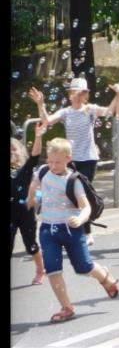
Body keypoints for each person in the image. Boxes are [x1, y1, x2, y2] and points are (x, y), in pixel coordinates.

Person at [28, 138, 119, 322]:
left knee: (84, 267)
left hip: (71, 229)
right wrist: (33, 199)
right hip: (48, 229)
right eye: (50, 161)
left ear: (68, 158)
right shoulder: (43, 171)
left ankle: (106, 278)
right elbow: (34, 186)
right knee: (53, 269)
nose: (53, 166)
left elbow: (85, 207)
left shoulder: (73, 180)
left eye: (58, 162)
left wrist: (79, 218)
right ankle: (67, 307)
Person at [28, 78, 119, 244]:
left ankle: (86, 232)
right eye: (75, 93)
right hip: (69, 159)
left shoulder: (90, 109)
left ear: (85, 95)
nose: (78, 96)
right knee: (71, 195)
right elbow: (47, 121)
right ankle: (75, 228)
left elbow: (109, 111)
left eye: (81, 93)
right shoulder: (66, 112)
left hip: (88, 158)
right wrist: (40, 103)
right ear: (70, 95)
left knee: (82, 194)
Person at [11, 121, 47, 286]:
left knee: (31, 245)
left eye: (14, 149)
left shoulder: (25, 169)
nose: (11, 152)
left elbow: (35, 156)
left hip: (26, 212)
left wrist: (38, 136)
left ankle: (41, 270)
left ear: (21, 152)